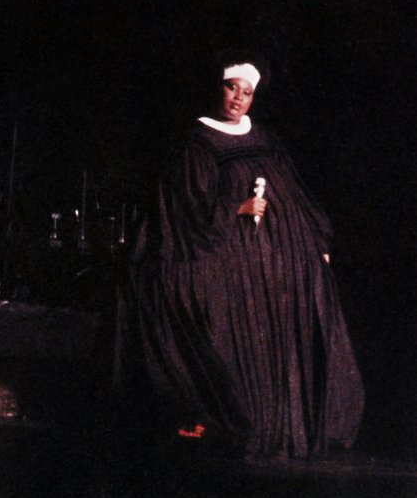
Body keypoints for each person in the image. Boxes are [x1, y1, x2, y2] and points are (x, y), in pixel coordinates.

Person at [131, 50, 364, 459]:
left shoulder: (266, 139)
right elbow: (187, 209)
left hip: (275, 254)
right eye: (231, 88)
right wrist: (235, 208)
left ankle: (301, 424)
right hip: (229, 251)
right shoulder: (198, 141)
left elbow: (294, 191)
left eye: (247, 92)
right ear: (218, 88)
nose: (238, 98)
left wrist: (317, 240)